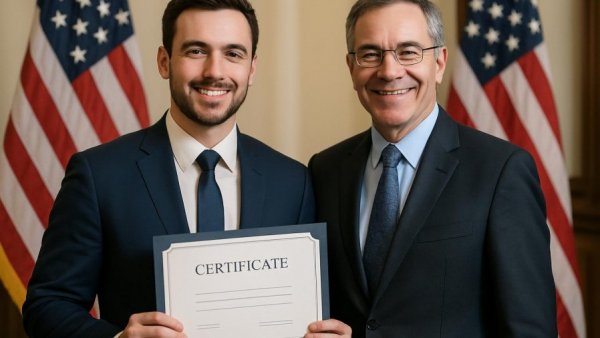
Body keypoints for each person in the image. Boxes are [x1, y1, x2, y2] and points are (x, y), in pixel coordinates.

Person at [22, 0, 317, 337]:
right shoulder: (98, 175)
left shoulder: (294, 182)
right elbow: (47, 305)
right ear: (165, 61)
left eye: (233, 54)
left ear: (251, 69)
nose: (214, 71)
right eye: (196, 51)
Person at [308, 0, 557, 337]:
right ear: (351, 67)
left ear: (439, 63)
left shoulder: (501, 172)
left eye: (408, 52)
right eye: (370, 54)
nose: (389, 70)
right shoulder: (325, 170)